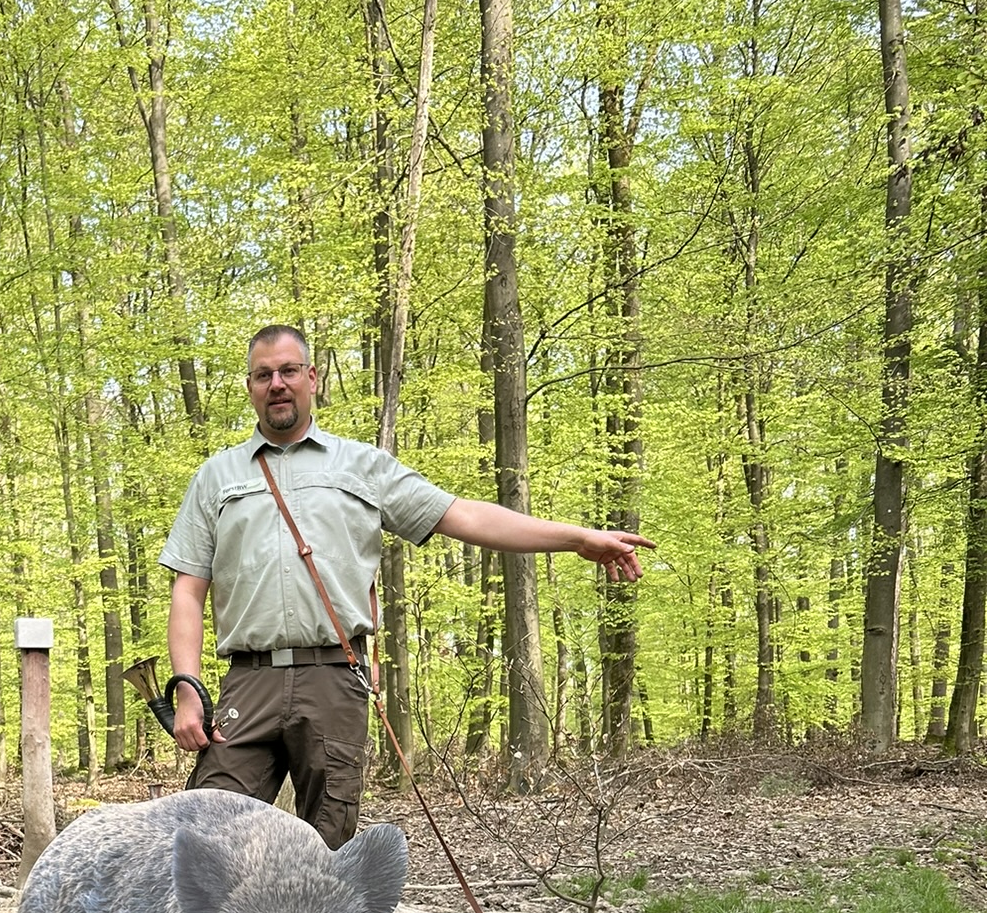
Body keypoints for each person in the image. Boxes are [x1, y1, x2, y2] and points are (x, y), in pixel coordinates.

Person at [162, 324, 653, 846]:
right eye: (263, 375)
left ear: (312, 377)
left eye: (288, 371)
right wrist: (188, 688)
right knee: (206, 836)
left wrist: (576, 539)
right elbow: (188, 591)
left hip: (334, 677)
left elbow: (464, 516)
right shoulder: (216, 477)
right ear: (250, 387)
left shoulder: (361, 466)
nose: (277, 384)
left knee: (328, 845)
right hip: (248, 681)